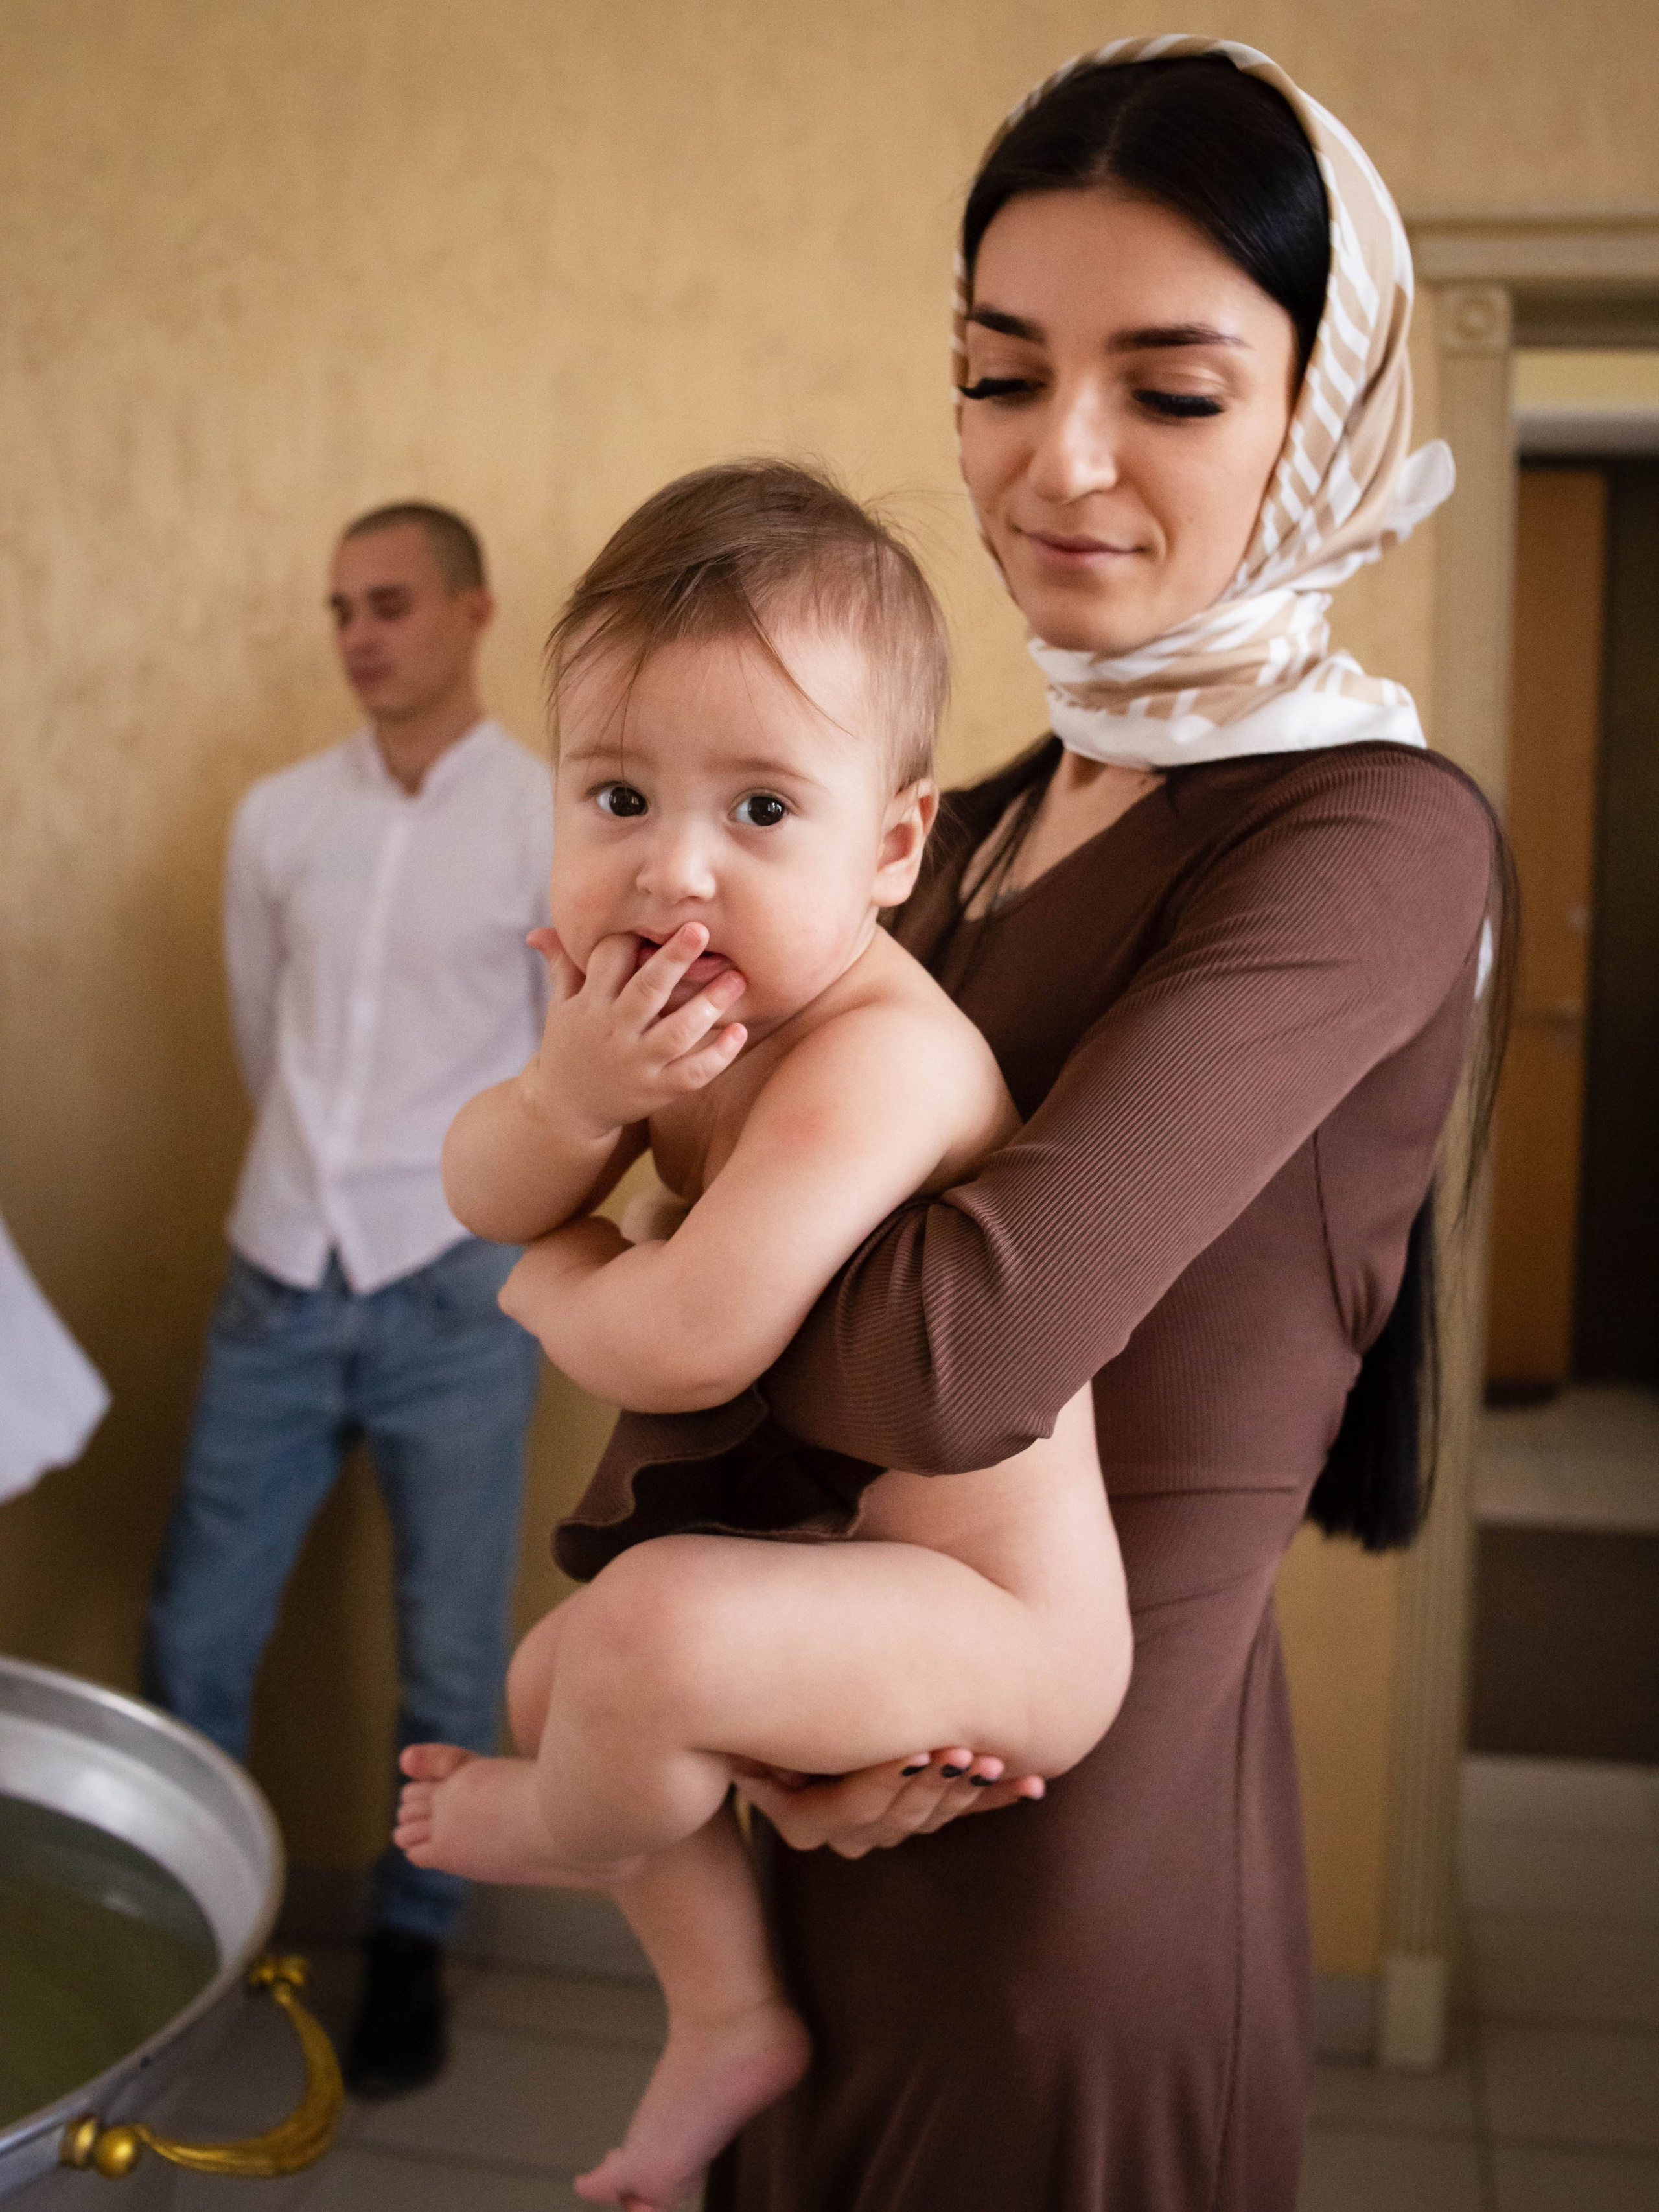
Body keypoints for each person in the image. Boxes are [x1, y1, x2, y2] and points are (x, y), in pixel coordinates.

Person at [502, 41, 1509, 2212]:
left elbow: (963, 1345)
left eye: (1172, 386)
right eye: (999, 373)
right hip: (826, 1766)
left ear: (1321, 413)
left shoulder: (1371, 836)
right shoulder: (963, 827)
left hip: (1069, 1861)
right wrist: (751, 1702)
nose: (1061, 461)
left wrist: (624, 1284)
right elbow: (740, 1198)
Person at [391, 460, 1133, 2211]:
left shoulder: (877, 1056)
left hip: (1010, 1626)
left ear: (891, 848)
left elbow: (693, 1337)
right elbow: (482, 1177)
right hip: (856, 1566)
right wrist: (570, 1094)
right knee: (552, 1673)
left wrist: (559, 1281)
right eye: (622, 794)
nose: (676, 868)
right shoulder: (649, 1019)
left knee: (641, 1629)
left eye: (763, 811)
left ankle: (568, 1833)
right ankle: (726, 2011)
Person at [142, 502, 551, 2097]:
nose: (361, 633)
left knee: (450, 1657)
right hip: (279, 1269)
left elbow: (549, 1071)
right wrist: (319, 1186)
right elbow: (267, 1035)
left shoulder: (538, 822)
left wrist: (469, 1230)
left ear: (469, 610)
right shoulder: (276, 821)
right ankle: (189, 1949)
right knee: (192, 1635)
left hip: (456, 1290)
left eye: (389, 603)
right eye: (339, 610)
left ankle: (415, 1953)